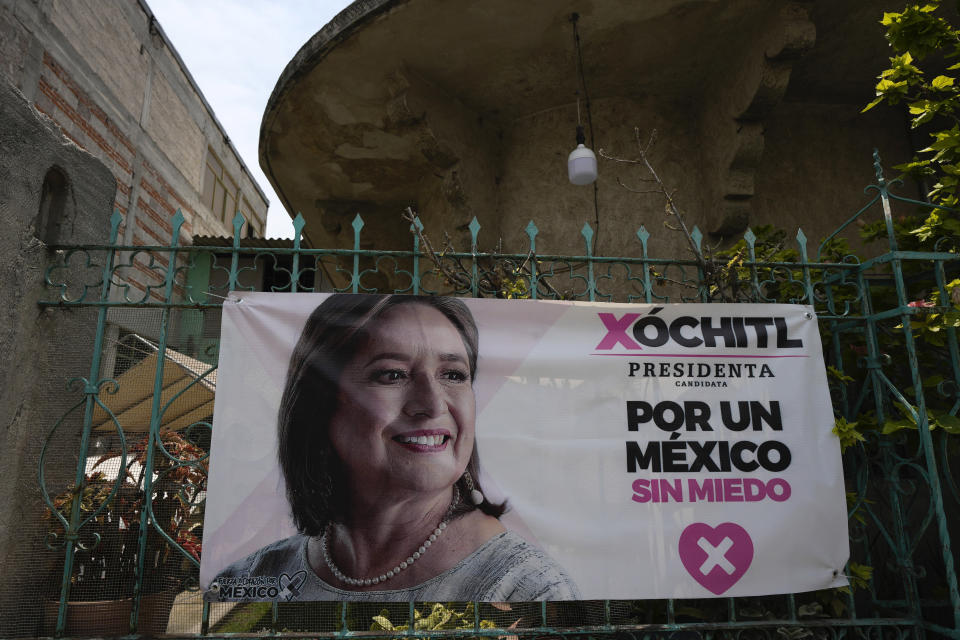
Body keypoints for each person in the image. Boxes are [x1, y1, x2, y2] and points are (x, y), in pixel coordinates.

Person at [211, 294, 579, 601]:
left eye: (453, 374)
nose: (433, 405)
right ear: (321, 405)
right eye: (392, 374)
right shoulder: (248, 582)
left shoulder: (531, 591)